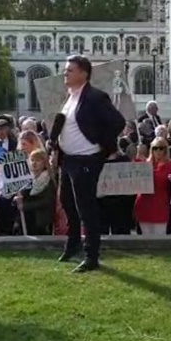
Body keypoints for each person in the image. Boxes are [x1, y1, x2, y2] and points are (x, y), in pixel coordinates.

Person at [52, 54, 125, 272]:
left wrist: (101, 145)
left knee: (86, 208)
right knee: (67, 203)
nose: (65, 73)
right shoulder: (70, 96)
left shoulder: (95, 97)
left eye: (70, 70)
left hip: (87, 159)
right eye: (65, 70)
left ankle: (91, 255)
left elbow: (118, 122)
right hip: (68, 160)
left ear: (83, 73)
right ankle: (72, 243)